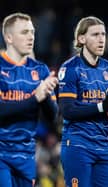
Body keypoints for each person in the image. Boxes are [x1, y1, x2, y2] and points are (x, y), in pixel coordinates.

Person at [58, 16, 108, 187]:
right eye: (95, 34)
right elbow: (68, 110)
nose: (101, 39)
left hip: (103, 146)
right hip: (77, 145)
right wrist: (102, 106)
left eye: (103, 34)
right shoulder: (70, 68)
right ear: (81, 39)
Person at [0, 12, 58, 187]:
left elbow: (53, 117)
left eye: (32, 32)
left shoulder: (40, 70)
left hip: (26, 155)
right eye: (24, 32)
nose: (31, 36)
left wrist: (46, 96)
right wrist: (35, 98)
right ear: (9, 37)